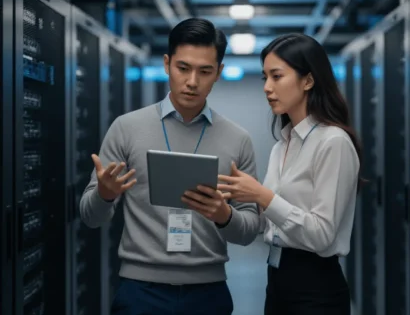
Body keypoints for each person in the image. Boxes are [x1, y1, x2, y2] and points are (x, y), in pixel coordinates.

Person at [79, 18, 261, 315]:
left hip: (209, 293)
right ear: (167, 64)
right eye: (183, 68)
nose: (192, 81)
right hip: (140, 291)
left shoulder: (238, 140)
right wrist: (105, 194)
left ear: (219, 73)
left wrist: (224, 216)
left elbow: (250, 231)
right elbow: (89, 216)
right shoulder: (126, 128)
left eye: (205, 71)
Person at [218, 33, 362, 315]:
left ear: (308, 80)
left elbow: (321, 235)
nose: (267, 88)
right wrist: (224, 208)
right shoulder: (282, 145)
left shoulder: (333, 142)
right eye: (265, 78)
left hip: (316, 288)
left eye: (277, 76)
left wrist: (263, 196)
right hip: (278, 281)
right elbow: (269, 225)